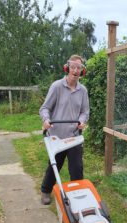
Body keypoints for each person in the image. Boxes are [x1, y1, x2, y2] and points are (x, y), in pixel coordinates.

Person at [40, 54, 90, 205]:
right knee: (54, 166)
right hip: (57, 136)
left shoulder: (83, 91)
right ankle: (45, 191)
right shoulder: (56, 86)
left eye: (79, 67)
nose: (75, 70)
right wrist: (46, 120)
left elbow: (85, 111)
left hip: (74, 136)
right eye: (73, 67)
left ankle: (77, 195)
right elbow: (45, 108)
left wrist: (82, 121)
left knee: (77, 168)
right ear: (67, 68)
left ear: (82, 71)